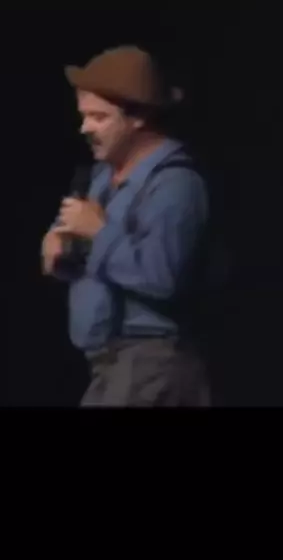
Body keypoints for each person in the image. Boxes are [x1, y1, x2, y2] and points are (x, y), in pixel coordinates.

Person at [41, 45, 211, 407]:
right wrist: (59, 250)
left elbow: (161, 277)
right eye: (83, 116)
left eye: (99, 117)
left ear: (138, 117)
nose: (85, 128)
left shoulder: (176, 184)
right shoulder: (101, 177)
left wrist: (98, 232)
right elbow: (91, 259)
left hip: (151, 363)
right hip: (107, 365)